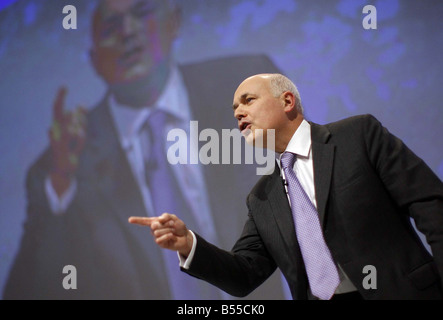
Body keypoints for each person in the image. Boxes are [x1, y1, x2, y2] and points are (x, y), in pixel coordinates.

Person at [3, 0, 286, 299]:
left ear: (174, 22)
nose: (127, 32)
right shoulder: (64, 165)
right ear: (94, 60)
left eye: (141, 14)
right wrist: (61, 182)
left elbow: (313, 185)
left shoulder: (247, 85)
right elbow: (26, 289)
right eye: (111, 27)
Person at [129, 73, 443, 300]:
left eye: (248, 100)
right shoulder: (262, 197)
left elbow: (431, 204)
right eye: (234, 109)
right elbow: (244, 275)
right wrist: (188, 244)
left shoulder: (357, 136)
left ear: (287, 101)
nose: (238, 112)